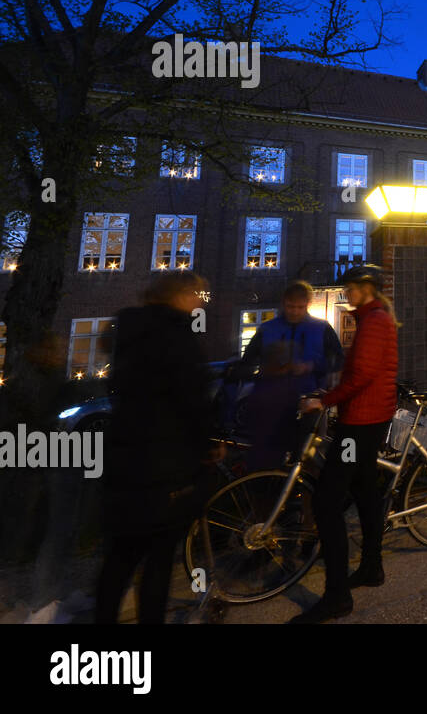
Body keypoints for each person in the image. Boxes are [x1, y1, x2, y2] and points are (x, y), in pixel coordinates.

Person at [95, 271, 222, 624]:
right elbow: (193, 401)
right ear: (179, 296)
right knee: (159, 557)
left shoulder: (128, 330)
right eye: (198, 294)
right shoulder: (178, 336)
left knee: (120, 556)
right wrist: (208, 445)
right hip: (166, 465)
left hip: (124, 458)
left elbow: (118, 388)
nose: (201, 301)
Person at [291, 263, 397, 624]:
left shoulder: (375, 320)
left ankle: (337, 596)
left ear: (368, 289)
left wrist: (326, 400)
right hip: (368, 417)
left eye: (352, 287)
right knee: (366, 492)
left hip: (361, 421)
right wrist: (333, 392)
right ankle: (371, 567)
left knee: (325, 503)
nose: (346, 292)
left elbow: (363, 374)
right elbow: (360, 371)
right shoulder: (374, 318)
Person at [237, 281, 344, 469]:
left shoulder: (322, 328)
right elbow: (248, 362)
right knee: (272, 452)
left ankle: (299, 491)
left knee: (306, 454)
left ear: (308, 304)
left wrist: (311, 366)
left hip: (309, 401)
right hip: (273, 401)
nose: (294, 311)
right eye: (290, 307)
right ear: (283, 303)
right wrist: (268, 370)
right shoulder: (268, 329)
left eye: (300, 307)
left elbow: (338, 361)